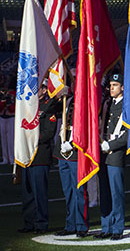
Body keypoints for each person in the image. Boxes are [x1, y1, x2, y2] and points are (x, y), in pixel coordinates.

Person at [18, 80, 60, 234]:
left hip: (40, 155)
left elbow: (49, 132)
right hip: (26, 155)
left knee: (39, 192)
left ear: (44, 90)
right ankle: (29, 222)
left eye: (39, 88)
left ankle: (41, 223)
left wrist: (32, 138)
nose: (36, 90)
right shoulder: (27, 106)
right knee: (27, 192)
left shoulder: (49, 107)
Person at [53, 84, 89, 237]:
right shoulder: (67, 101)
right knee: (68, 191)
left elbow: (86, 127)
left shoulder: (86, 102)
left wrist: (73, 144)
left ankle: (81, 225)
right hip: (63, 152)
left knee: (79, 190)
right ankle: (70, 224)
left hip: (75, 153)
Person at [95, 74, 127, 240]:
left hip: (115, 154)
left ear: (122, 87)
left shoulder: (127, 106)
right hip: (103, 153)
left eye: (115, 85)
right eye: (110, 85)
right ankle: (105, 226)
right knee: (105, 193)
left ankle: (117, 228)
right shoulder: (106, 104)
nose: (111, 88)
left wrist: (111, 145)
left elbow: (129, 134)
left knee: (116, 193)